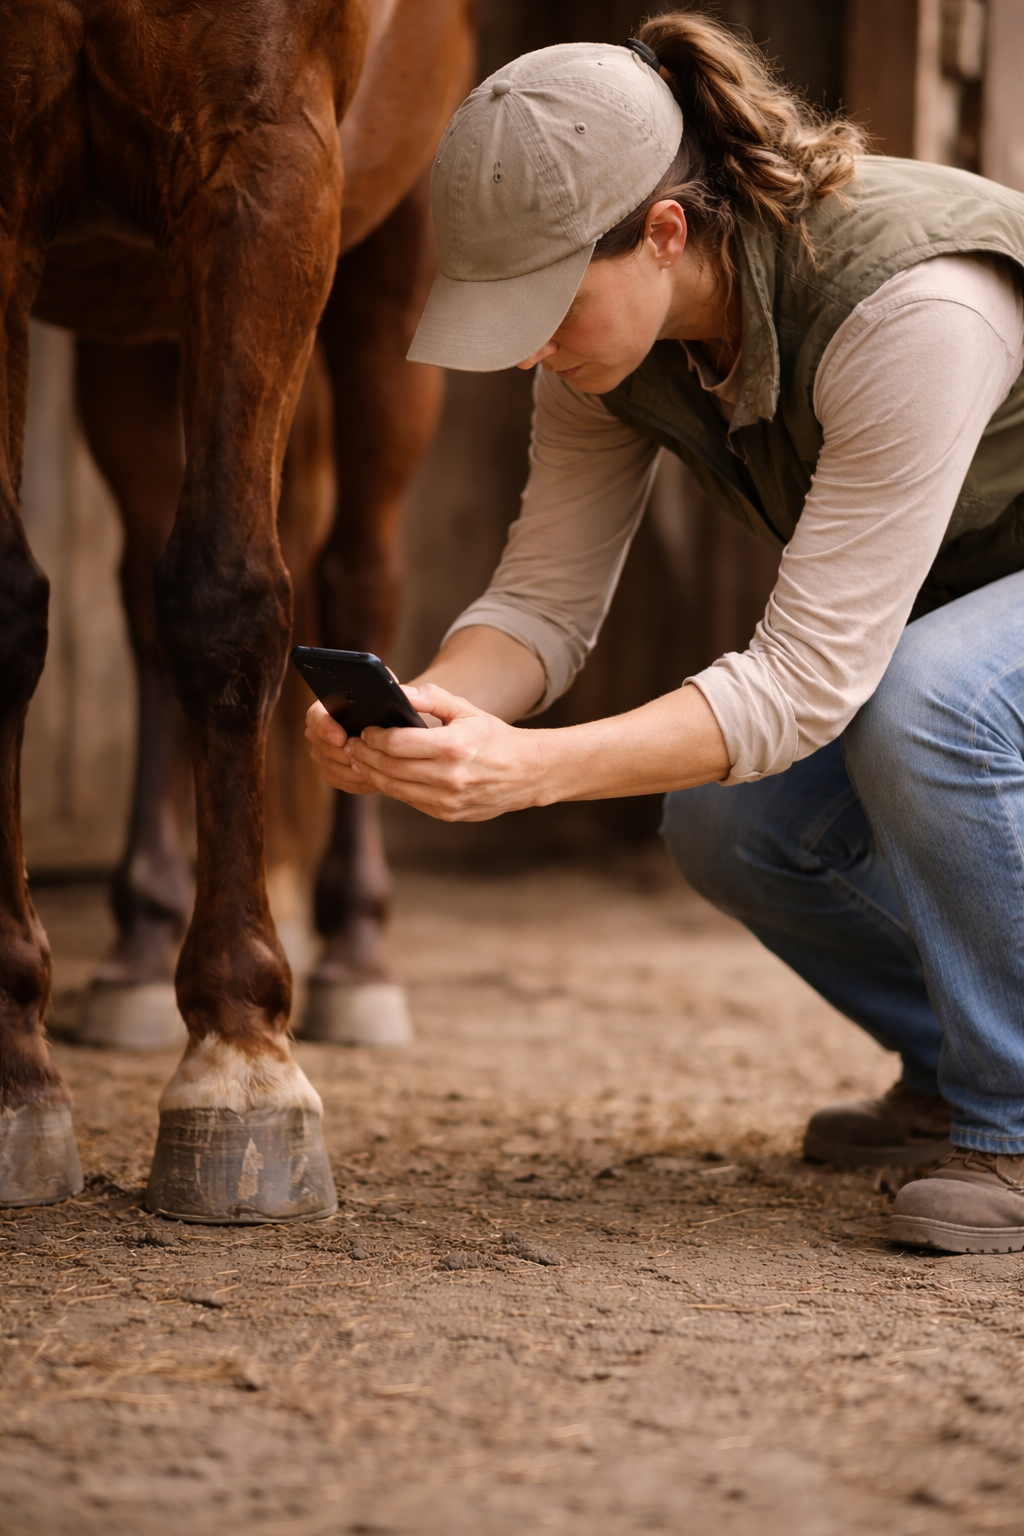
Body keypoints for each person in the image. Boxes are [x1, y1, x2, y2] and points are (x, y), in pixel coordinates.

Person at [307, 11, 1024, 1255]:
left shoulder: (913, 307)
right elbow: (540, 604)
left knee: (926, 702)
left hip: (959, 636)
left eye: (546, 301)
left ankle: (1012, 1119)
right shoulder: (605, 353)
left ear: (665, 231)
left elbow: (804, 685)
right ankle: (960, 1063)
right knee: (726, 821)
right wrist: (433, 713)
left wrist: (528, 775)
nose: (527, 340)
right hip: (964, 602)